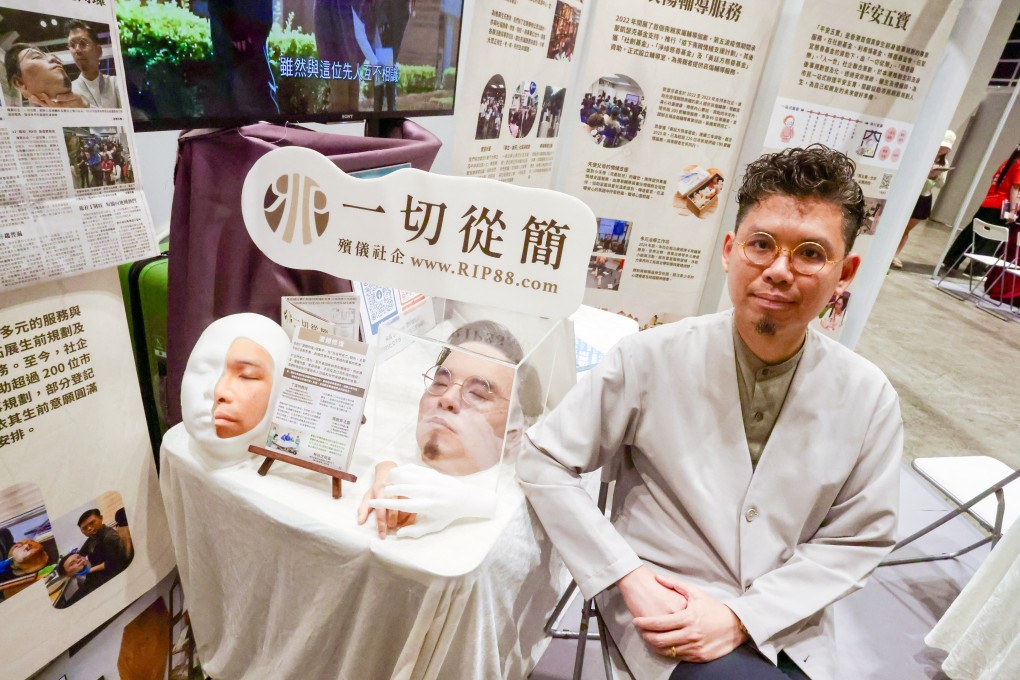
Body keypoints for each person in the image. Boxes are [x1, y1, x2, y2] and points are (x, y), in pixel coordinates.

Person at [518, 144, 902, 680]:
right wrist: (623, 574)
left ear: (846, 271)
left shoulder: (869, 396)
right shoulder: (648, 357)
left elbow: (859, 535)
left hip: (787, 622)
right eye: (761, 245)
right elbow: (541, 459)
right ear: (729, 250)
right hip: (667, 608)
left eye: (811, 253)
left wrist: (744, 617)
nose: (780, 271)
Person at [357, 320, 542, 539]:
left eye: (478, 394)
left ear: (514, 433)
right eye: (441, 383)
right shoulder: (380, 442)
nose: (447, 398)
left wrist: (478, 504)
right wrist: (386, 469)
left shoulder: (508, 524)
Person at [940, 143, 1020, 278]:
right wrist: (1013, 210)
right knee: (990, 239)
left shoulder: (1008, 162)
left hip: (988, 202)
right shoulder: (1019, 165)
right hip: (1000, 207)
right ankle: (975, 270)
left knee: (971, 233)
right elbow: (1015, 188)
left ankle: (951, 260)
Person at [892, 130, 955, 268]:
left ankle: (894, 254)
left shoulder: (944, 162)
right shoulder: (923, 154)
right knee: (894, 225)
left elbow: (940, 185)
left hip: (923, 197)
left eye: (946, 148)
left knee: (906, 229)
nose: (942, 149)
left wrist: (936, 176)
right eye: (941, 146)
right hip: (908, 194)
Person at [4, 43, 88, 108]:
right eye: (36, 57)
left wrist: (85, 110)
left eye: (52, 56)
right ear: (19, 83)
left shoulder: (83, 98)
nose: (53, 58)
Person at [66, 21, 120, 109]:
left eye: (83, 43)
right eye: (72, 45)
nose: (77, 50)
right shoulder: (70, 92)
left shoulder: (115, 83)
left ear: (99, 51)